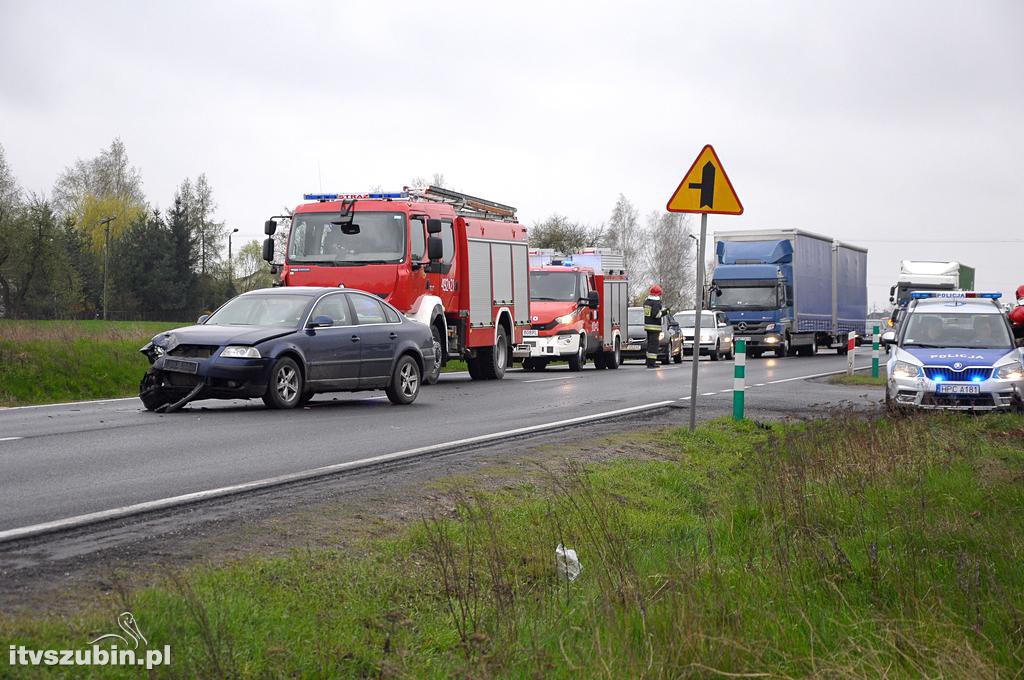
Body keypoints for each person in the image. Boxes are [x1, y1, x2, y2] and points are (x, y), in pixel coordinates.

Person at [643, 284, 667, 368]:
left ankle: (648, 361)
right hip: (654, 327)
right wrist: (665, 312)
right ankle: (652, 363)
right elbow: (656, 314)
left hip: (648, 327)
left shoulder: (647, 302)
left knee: (650, 345)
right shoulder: (655, 303)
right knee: (654, 346)